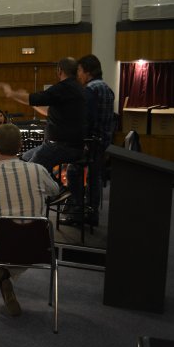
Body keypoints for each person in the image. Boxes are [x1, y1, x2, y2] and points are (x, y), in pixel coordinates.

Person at [0, 124, 60, 316]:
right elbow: (55, 190)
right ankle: (4, 278)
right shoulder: (37, 170)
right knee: (23, 240)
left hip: (0, 247)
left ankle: (2, 274)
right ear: (21, 145)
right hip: (37, 247)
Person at [0, 57, 87, 172]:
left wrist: (12, 93)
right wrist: (29, 100)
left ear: (59, 71)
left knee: (28, 171)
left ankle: (44, 186)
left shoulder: (63, 88)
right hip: (70, 146)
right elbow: (48, 110)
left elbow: (34, 99)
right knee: (24, 158)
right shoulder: (77, 89)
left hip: (60, 146)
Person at [70, 54, 115, 224]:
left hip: (90, 142)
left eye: (80, 71)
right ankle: (92, 212)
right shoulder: (107, 89)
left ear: (88, 71)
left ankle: (78, 210)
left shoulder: (90, 89)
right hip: (103, 142)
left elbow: (87, 120)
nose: (78, 75)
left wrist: (81, 141)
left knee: (74, 172)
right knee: (95, 178)